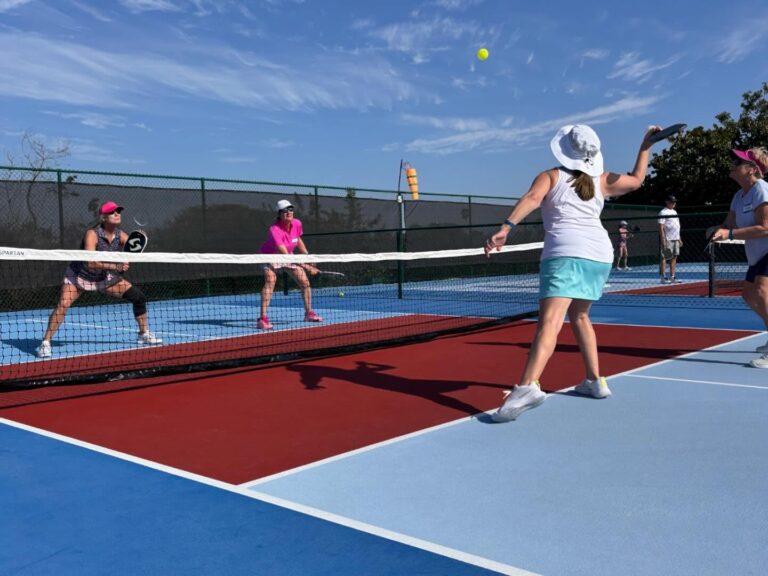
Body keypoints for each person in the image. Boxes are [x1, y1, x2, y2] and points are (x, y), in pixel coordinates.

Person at [485, 124, 660, 421]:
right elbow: (638, 179)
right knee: (580, 316)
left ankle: (527, 386)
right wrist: (645, 145)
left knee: (550, 321)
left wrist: (506, 228)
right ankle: (594, 381)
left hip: (566, 253)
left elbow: (531, 198)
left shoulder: (550, 175)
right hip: (599, 256)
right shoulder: (602, 180)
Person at [36, 201, 162, 358]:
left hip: (102, 278)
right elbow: (90, 262)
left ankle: (143, 334)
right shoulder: (92, 234)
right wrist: (116, 267)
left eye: (118, 212)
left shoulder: (120, 235)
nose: (117, 214)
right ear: (103, 217)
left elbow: (133, 247)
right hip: (78, 277)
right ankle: (45, 343)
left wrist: (140, 239)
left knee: (138, 297)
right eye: (112, 212)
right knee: (63, 305)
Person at [709, 147, 768, 369]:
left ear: (752, 169)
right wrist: (718, 230)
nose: (734, 164)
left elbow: (765, 227)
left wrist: (730, 235)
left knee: (761, 293)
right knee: (748, 295)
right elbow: (729, 224)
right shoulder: (738, 195)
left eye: (739, 162)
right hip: (758, 253)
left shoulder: (761, 189)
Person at [257, 199, 323, 329]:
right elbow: (284, 253)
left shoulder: (297, 223)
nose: (289, 212)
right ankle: (262, 319)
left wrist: (308, 257)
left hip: (288, 254)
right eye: (285, 210)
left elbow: (297, 240)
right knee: (271, 279)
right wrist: (306, 266)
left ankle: (309, 313)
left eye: (291, 209)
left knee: (304, 282)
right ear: (279, 214)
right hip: (270, 255)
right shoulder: (274, 229)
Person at [658, 195, 682, 283]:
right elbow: (661, 227)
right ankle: (663, 277)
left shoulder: (675, 212)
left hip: (675, 239)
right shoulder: (663, 212)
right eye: (672, 201)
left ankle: (672, 276)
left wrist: (679, 239)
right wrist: (663, 240)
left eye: (674, 202)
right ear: (667, 202)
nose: (674, 203)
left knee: (674, 257)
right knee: (665, 257)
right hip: (667, 239)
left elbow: (677, 226)